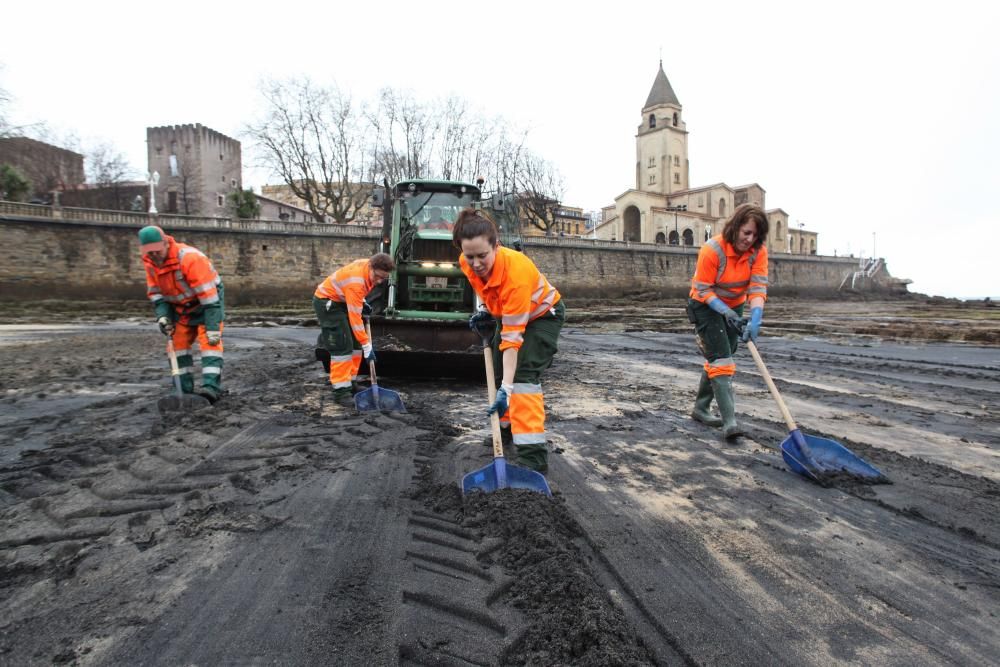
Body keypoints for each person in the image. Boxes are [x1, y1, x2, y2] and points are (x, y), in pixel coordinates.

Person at [454, 208, 564, 474]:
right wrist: (484, 311)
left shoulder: (516, 275)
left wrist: (507, 388)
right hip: (508, 313)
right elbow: (483, 289)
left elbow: (512, 343)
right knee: (501, 370)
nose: (476, 263)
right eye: (470, 257)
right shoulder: (465, 261)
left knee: (522, 379)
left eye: (483, 256)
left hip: (542, 316)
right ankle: (503, 429)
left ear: (496, 246)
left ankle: (533, 456)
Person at [687, 203, 769, 438]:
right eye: (746, 232)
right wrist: (725, 312)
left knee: (721, 354)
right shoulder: (712, 250)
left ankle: (701, 408)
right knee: (722, 359)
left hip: (734, 305)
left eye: (755, 235)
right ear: (735, 228)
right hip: (705, 306)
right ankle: (730, 422)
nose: (750, 239)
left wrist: (755, 317)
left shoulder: (758, 251)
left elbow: (757, 286)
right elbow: (702, 289)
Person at [139, 225, 225, 403]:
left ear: (165, 243)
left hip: (207, 304)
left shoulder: (190, 259)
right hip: (180, 307)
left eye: (156, 251)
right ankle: (183, 390)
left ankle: (211, 388)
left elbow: (210, 300)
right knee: (177, 347)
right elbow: (157, 294)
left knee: (210, 343)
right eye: (149, 253)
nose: (154, 256)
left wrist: (213, 327)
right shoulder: (150, 264)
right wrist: (163, 316)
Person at [313, 253, 395, 408]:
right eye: (377, 276)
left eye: (383, 278)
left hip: (342, 299)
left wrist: (362, 301)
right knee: (342, 346)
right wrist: (367, 345)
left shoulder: (367, 267)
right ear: (371, 267)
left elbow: (355, 291)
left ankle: (350, 382)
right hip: (328, 303)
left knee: (355, 345)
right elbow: (355, 319)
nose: (378, 281)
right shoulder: (356, 282)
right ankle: (341, 392)